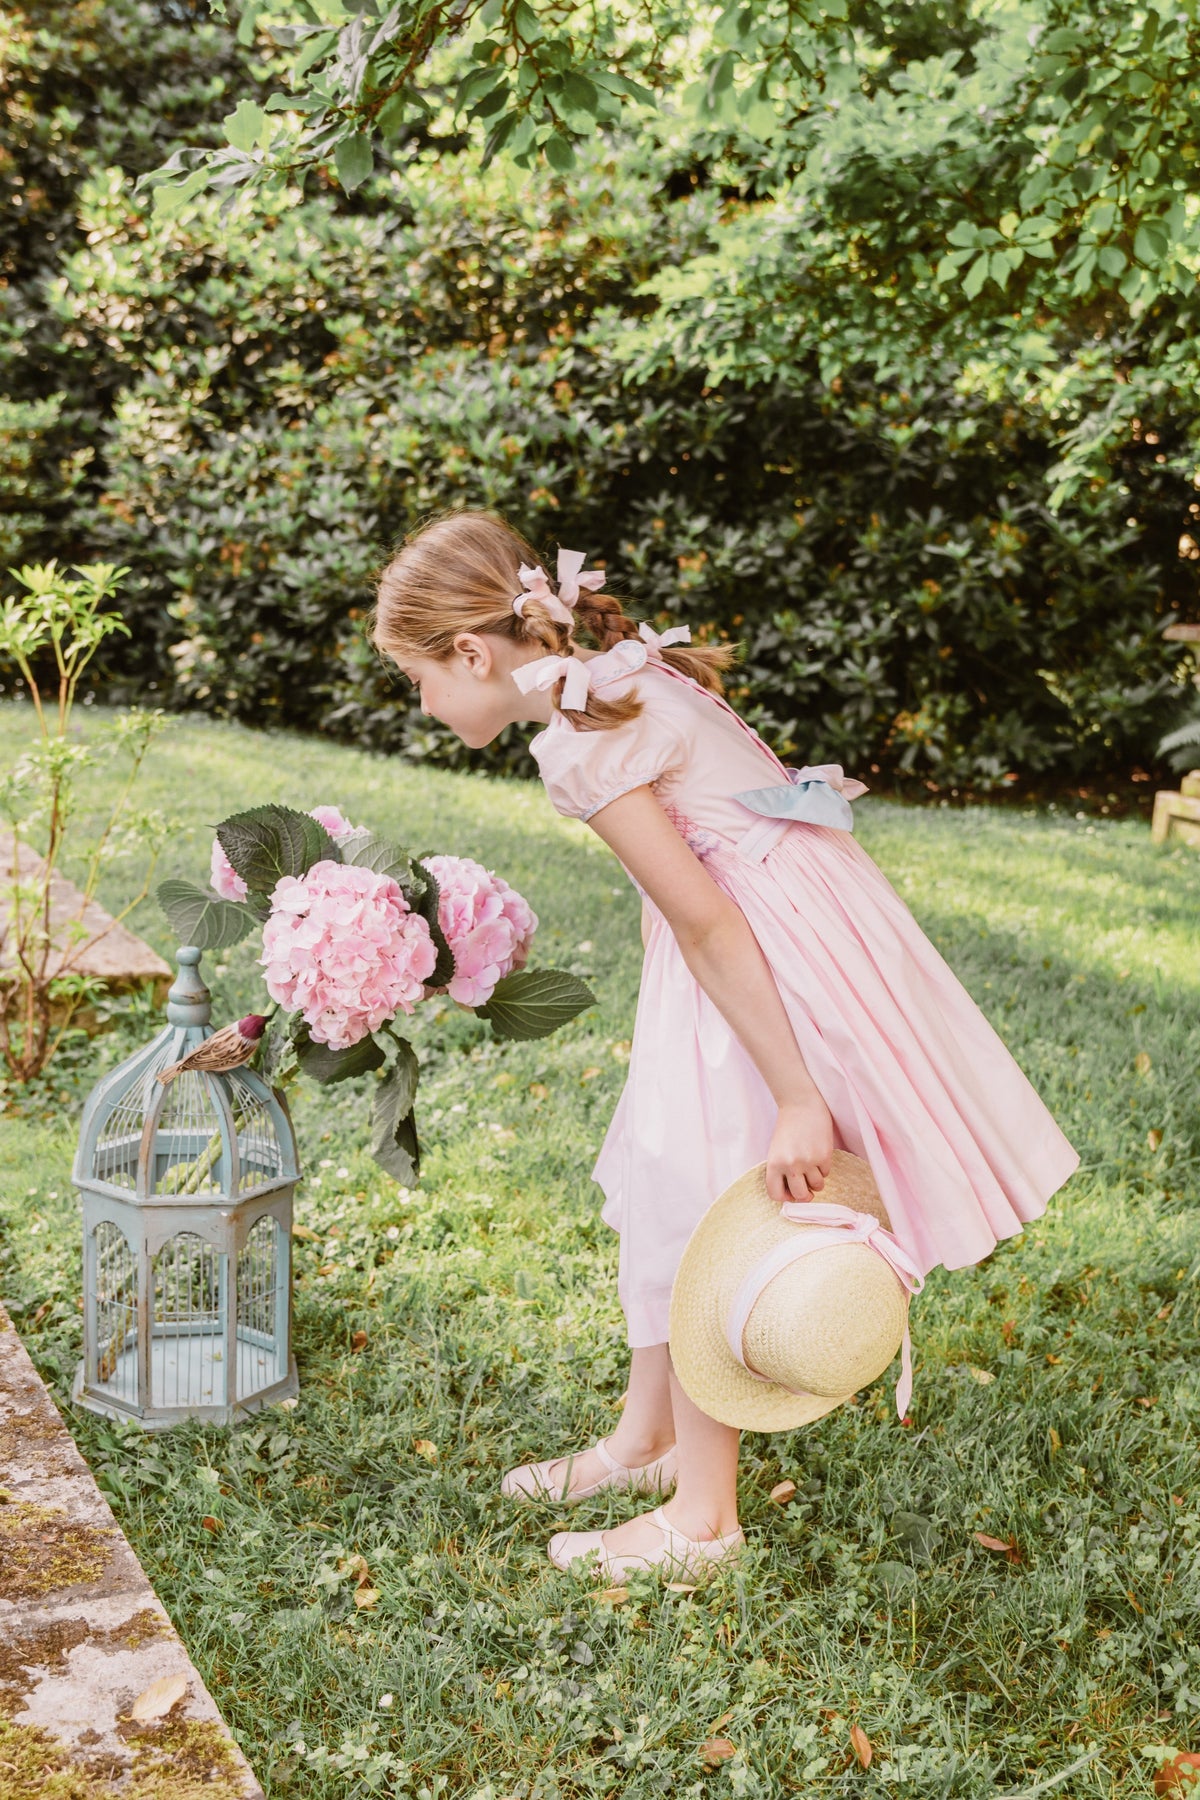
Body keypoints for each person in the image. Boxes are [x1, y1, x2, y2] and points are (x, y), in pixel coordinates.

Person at [369, 509, 1080, 1580]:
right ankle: (643, 1440)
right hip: (776, 933)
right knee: (662, 1180)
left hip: (760, 961)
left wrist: (798, 1094)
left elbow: (706, 917)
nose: (422, 703)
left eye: (417, 677)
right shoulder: (612, 673)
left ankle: (702, 1520)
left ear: (472, 651)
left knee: (708, 1187)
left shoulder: (580, 735)